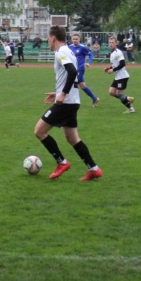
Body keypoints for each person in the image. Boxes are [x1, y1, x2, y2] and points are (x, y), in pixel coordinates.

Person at [34, 25, 102, 181]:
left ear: (53, 38)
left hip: (66, 103)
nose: (48, 41)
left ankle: (61, 162)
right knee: (72, 138)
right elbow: (72, 76)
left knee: (39, 131)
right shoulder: (68, 51)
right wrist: (58, 92)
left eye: (48, 38)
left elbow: (72, 72)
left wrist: (63, 94)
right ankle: (94, 169)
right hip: (72, 101)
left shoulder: (61, 52)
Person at [104, 36, 135, 114]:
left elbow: (122, 64)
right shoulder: (112, 53)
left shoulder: (118, 52)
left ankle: (131, 108)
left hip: (122, 77)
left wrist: (113, 70)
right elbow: (115, 64)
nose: (111, 44)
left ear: (116, 43)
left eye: (112, 42)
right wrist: (109, 68)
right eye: (110, 42)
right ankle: (127, 98)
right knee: (111, 92)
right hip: (118, 77)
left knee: (119, 94)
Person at [69, 33, 99, 107]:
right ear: (71, 39)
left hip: (80, 69)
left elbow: (91, 55)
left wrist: (88, 63)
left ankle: (72, 102)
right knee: (82, 86)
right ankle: (94, 98)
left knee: (72, 83)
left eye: (76, 39)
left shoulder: (83, 47)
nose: (75, 40)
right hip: (72, 69)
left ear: (79, 39)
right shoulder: (69, 47)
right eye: (74, 39)